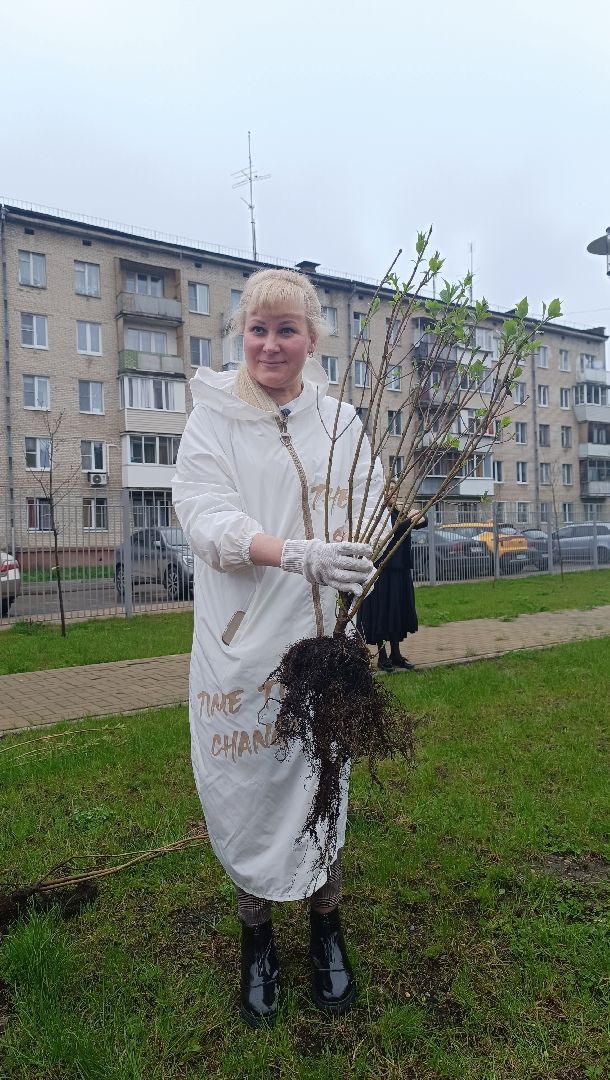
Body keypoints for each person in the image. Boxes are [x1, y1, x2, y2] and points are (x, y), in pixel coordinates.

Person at [172, 268, 382, 1028]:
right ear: (242, 336)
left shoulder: (340, 421)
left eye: (286, 329)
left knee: (323, 775)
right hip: (244, 646)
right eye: (257, 329)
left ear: (311, 338)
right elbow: (203, 516)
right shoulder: (214, 419)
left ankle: (326, 924)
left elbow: (368, 497)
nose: (270, 344)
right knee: (250, 785)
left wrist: (361, 555)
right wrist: (292, 552)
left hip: (323, 641)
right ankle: (256, 934)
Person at [358, 493, 427, 671]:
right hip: (382, 569)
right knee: (381, 611)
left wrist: (417, 515)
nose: (394, 494)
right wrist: (411, 519)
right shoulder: (377, 513)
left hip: (400, 569)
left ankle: (396, 654)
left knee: (397, 611)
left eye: (396, 490)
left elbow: (423, 522)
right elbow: (394, 530)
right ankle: (382, 656)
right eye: (390, 489)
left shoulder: (399, 512)